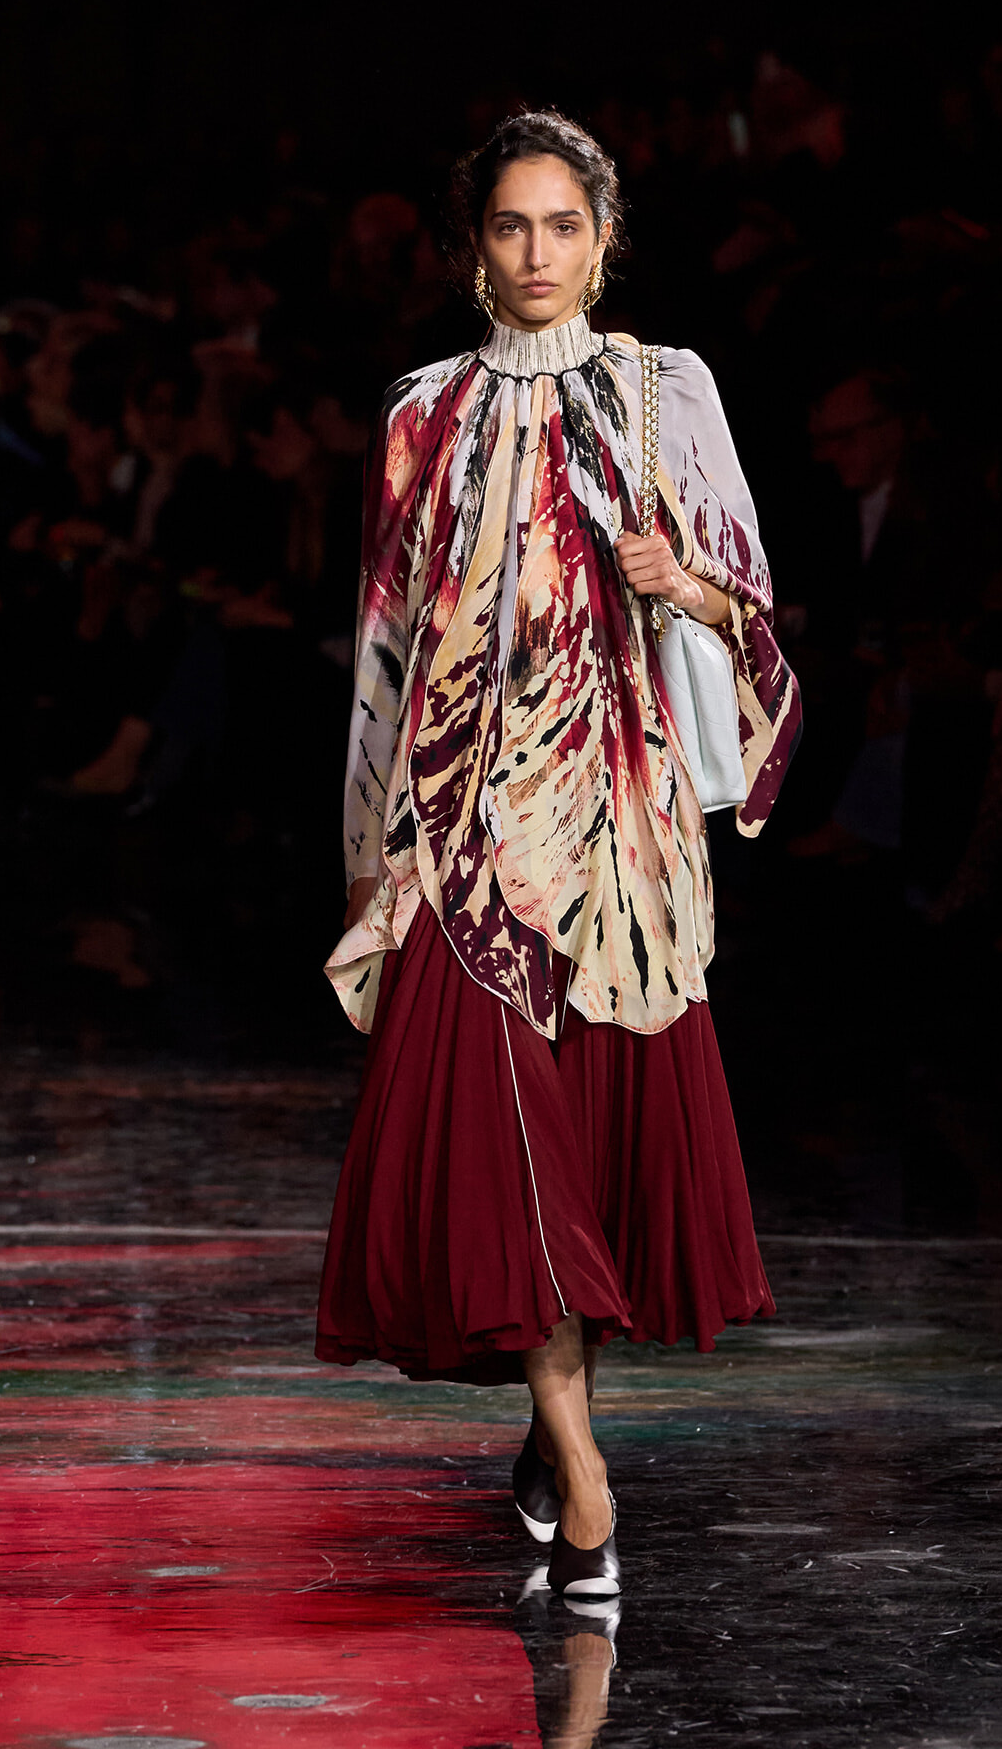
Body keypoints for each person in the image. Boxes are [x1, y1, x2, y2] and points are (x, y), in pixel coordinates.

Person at [315, 111, 801, 1598]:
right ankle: (586, 1481)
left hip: (616, 811)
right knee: (503, 1132)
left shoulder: (667, 391)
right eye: (511, 227)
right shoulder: (424, 412)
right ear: (475, 250)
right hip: (459, 819)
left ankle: (554, 1422)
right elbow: (385, 640)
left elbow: (752, 606)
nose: (538, 254)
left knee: (587, 1141)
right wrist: (364, 851)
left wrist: (688, 586)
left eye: (564, 226)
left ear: (605, 242)